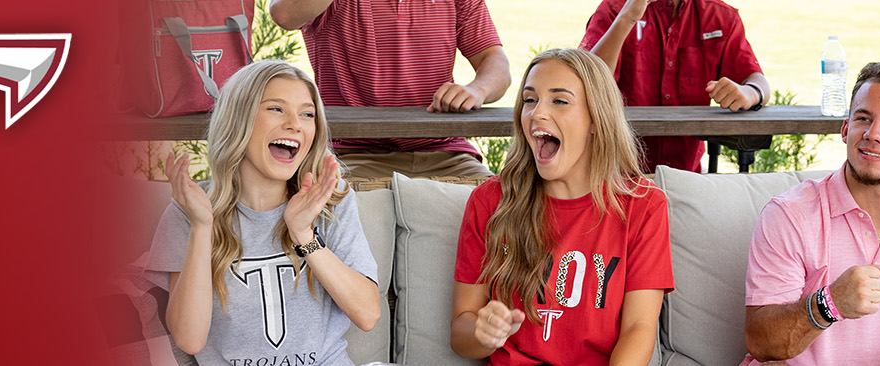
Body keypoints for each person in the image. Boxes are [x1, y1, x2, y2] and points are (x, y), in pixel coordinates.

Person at [145, 60, 382, 366]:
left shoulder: (331, 201)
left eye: (307, 114)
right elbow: (189, 338)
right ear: (238, 119)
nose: (295, 124)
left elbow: (367, 314)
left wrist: (303, 235)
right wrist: (202, 227)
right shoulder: (189, 210)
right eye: (276, 109)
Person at [449, 48, 674, 365]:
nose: (537, 113)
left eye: (559, 100)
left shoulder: (644, 206)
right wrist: (483, 333)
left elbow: (639, 328)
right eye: (530, 100)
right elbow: (461, 334)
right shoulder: (490, 201)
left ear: (596, 119)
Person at [742, 59, 880, 365]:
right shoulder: (789, 215)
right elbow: (761, 341)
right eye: (863, 118)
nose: (873, 133)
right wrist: (829, 303)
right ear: (846, 129)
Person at [269, 0, 512, 178]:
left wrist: (478, 89)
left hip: (445, 152)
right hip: (351, 154)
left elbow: (495, 62)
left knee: (494, 215)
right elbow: (284, 13)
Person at [580, 0, 771, 173]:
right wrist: (627, 18)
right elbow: (584, 81)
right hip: (616, 174)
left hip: (686, 175)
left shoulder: (720, 15)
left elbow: (757, 80)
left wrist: (750, 93)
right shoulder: (615, 8)